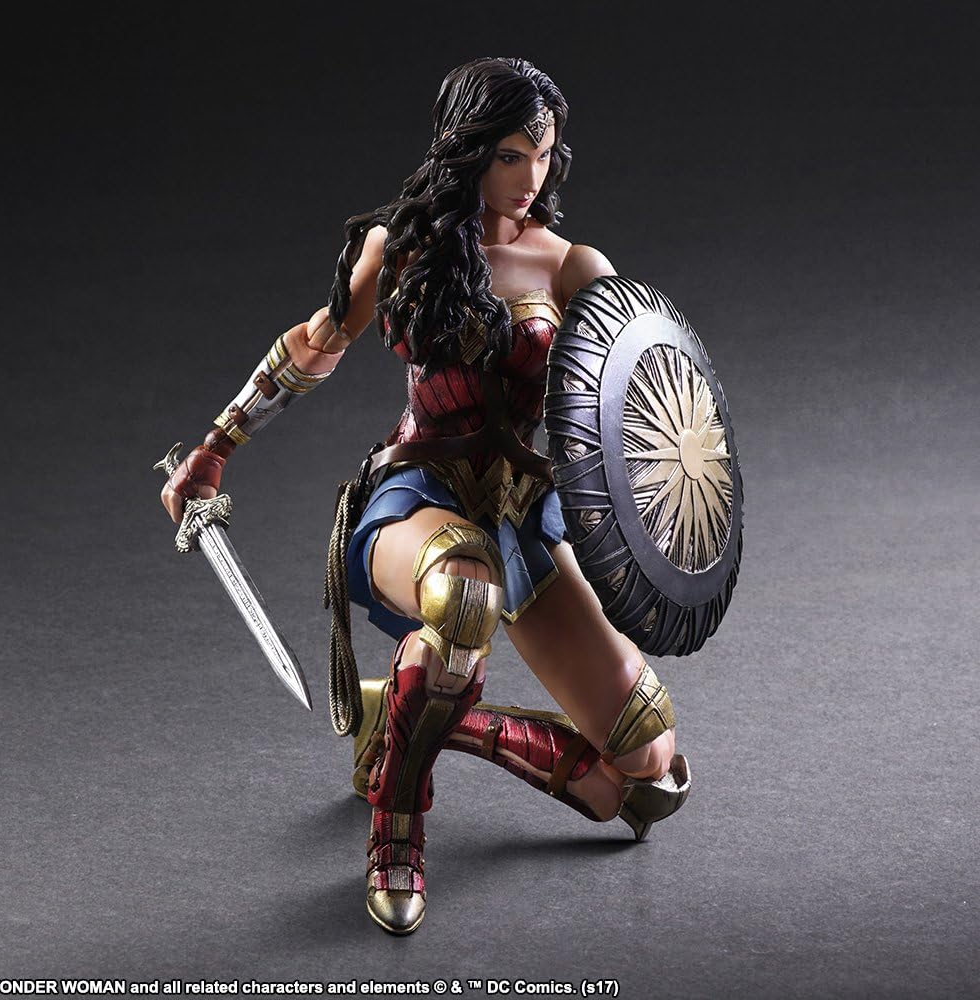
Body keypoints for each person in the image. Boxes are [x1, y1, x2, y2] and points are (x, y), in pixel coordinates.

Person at [161, 57, 690, 936]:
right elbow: (316, 344)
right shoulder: (404, 247)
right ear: (468, 150)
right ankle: (397, 821)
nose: (530, 177)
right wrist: (216, 448)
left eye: (544, 155)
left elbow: (625, 401)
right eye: (511, 155)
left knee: (641, 778)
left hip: (520, 515)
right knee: (465, 595)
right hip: (416, 498)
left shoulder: (572, 267)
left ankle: (413, 719)